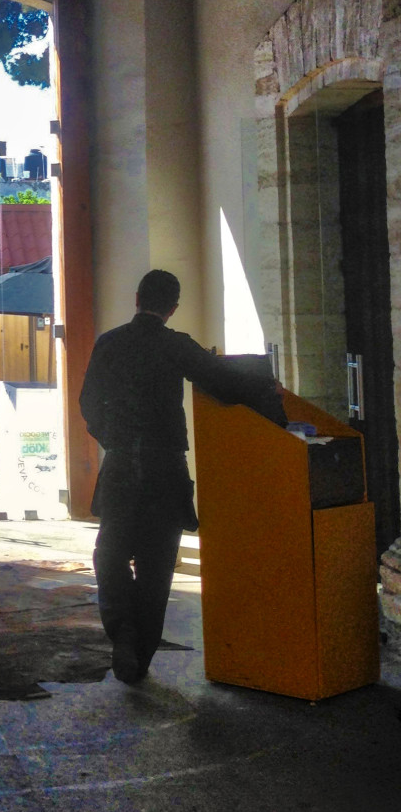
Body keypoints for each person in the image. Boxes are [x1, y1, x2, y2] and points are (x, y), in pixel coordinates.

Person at [79, 268, 282, 685]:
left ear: (136, 297)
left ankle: (123, 632)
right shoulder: (176, 346)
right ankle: (141, 653)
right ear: (173, 308)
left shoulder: (109, 344)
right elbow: (225, 383)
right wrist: (269, 391)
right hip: (166, 467)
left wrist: (113, 438)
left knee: (110, 554)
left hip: (120, 464)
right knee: (157, 564)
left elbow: (88, 405)